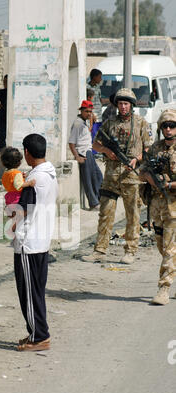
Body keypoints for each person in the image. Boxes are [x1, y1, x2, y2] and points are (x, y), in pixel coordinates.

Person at [82, 88, 152, 264]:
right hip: (111, 175)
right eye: (120, 103)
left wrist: (137, 159)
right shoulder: (109, 123)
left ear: (132, 105)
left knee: (133, 215)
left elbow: (148, 150)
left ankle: (130, 250)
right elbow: (96, 144)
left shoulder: (141, 123)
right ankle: (100, 250)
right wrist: (106, 150)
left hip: (131, 176)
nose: (123, 107)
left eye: (126, 104)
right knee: (105, 213)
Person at [13, 134, 58, 352]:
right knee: (37, 292)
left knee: (29, 294)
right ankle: (37, 332)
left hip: (28, 243)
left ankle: (39, 337)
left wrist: (12, 220)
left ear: (27, 152)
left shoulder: (33, 180)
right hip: (42, 241)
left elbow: (23, 210)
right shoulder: (49, 173)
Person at [139, 110, 176, 305]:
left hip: (174, 207)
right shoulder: (155, 149)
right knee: (162, 246)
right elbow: (142, 170)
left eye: (172, 126)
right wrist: (151, 179)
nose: (168, 130)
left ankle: (164, 287)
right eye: (165, 126)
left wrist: (168, 184)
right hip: (157, 207)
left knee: (169, 248)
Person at [68, 100, 103, 211]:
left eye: (90, 111)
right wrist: (77, 156)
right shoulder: (78, 124)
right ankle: (93, 203)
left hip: (89, 151)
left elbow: (86, 133)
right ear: (81, 111)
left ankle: (98, 199)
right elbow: (71, 142)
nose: (89, 114)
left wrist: (91, 121)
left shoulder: (83, 122)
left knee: (98, 176)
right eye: (87, 111)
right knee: (88, 179)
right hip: (83, 153)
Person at [87, 69, 104, 149]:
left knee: (98, 134)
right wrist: (92, 114)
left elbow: (99, 98)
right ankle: (93, 151)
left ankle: (98, 150)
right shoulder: (87, 87)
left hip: (99, 114)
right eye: (99, 77)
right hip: (93, 115)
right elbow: (88, 102)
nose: (101, 79)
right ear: (94, 77)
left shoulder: (98, 87)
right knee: (93, 133)